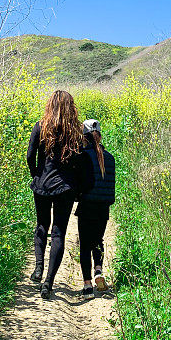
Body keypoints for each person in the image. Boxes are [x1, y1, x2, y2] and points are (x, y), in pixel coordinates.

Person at [26, 90, 90, 299]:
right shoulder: (76, 132)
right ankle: (48, 283)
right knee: (59, 232)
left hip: (42, 185)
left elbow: (29, 156)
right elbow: (81, 163)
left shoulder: (40, 126)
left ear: (50, 105)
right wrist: (79, 188)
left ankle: (38, 268)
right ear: (71, 107)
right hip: (66, 188)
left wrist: (36, 175)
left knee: (41, 225)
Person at [76, 119, 115, 298]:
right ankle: (98, 270)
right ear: (99, 135)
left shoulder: (83, 156)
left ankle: (87, 286)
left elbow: (81, 184)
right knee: (98, 240)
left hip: (87, 206)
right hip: (103, 207)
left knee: (84, 245)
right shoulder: (110, 157)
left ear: (84, 137)